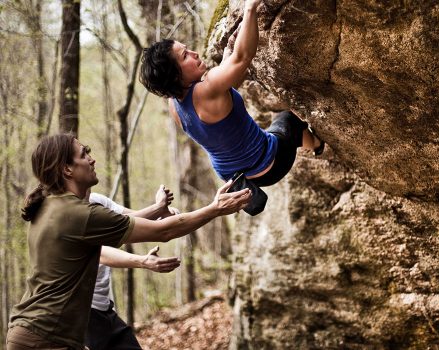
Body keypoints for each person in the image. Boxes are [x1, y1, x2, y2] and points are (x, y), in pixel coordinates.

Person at [6, 133, 250, 350]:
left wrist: (157, 208)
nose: (92, 159)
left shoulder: (51, 205)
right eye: (84, 154)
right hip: (45, 337)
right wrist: (215, 209)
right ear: (67, 170)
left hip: (38, 332)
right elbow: (163, 232)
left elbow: (125, 221)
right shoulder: (78, 214)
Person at [139, 0, 325, 189]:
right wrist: (250, 8)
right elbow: (243, 56)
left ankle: (311, 145)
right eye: (185, 55)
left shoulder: (175, 106)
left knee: (271, 128)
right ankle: (317, 145)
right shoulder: (208, 88)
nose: (194, 53)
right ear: (175, 75)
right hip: (272, 165)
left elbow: (222, 95)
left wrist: (228, 53)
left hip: (241, 181)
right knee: (287, 118)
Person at [86, 188, 180, 350]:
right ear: (67, 170)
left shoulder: (97, 200)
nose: (91, 161)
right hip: (80, 314)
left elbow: (133, 220)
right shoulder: (72, 213)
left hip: (102, 309)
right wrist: (142, 261)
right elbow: (99, 252)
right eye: (83, 159)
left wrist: (163, 213)